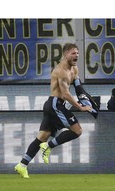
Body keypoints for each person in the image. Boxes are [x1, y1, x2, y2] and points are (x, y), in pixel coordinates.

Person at [14, 43, 95, 178]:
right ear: (65, 54)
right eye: (73, 53)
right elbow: (66, 94)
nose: (76, 56)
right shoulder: (61, 71)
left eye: (77, 53)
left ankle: (22, 165)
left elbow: (78, 86)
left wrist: (86, 99)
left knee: (42, 137)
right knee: (77, 131)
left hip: (55, 105)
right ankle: (48, 146)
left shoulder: (74, 68)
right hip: (55, 105)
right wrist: (80, 107)